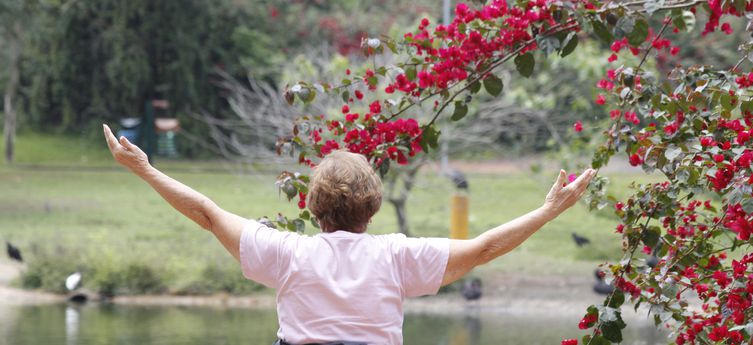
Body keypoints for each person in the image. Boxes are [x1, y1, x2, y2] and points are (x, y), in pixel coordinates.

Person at [102, 124, 596, 345]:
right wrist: (548, 210)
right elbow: (486, 248)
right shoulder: (397, 258)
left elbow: (207, 213)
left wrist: (146, 170)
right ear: (373, 208)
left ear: (313, 207)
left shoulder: (286, 253)